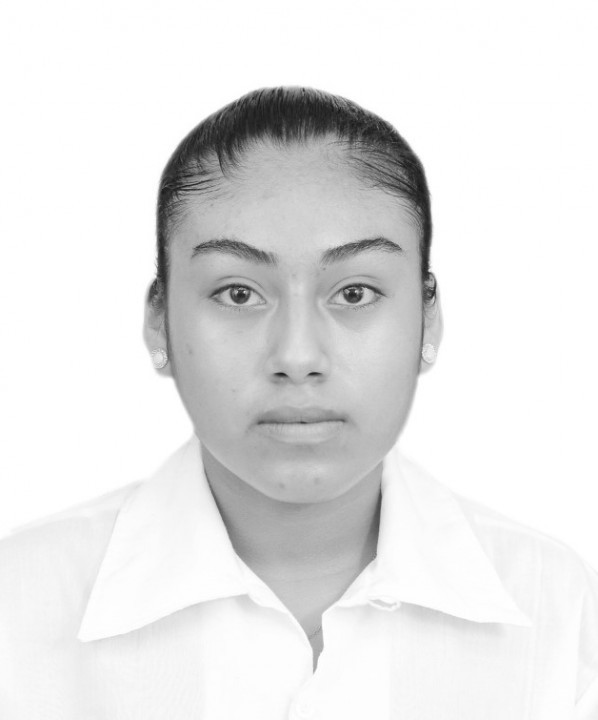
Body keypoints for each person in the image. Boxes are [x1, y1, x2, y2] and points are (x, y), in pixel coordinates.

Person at [1, 87, 597, 719]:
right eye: (237, 293)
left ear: (428, 320)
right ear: (160, 322)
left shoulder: (554, 608)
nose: (297, 354)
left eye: (355, 292)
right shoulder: (18, 604)